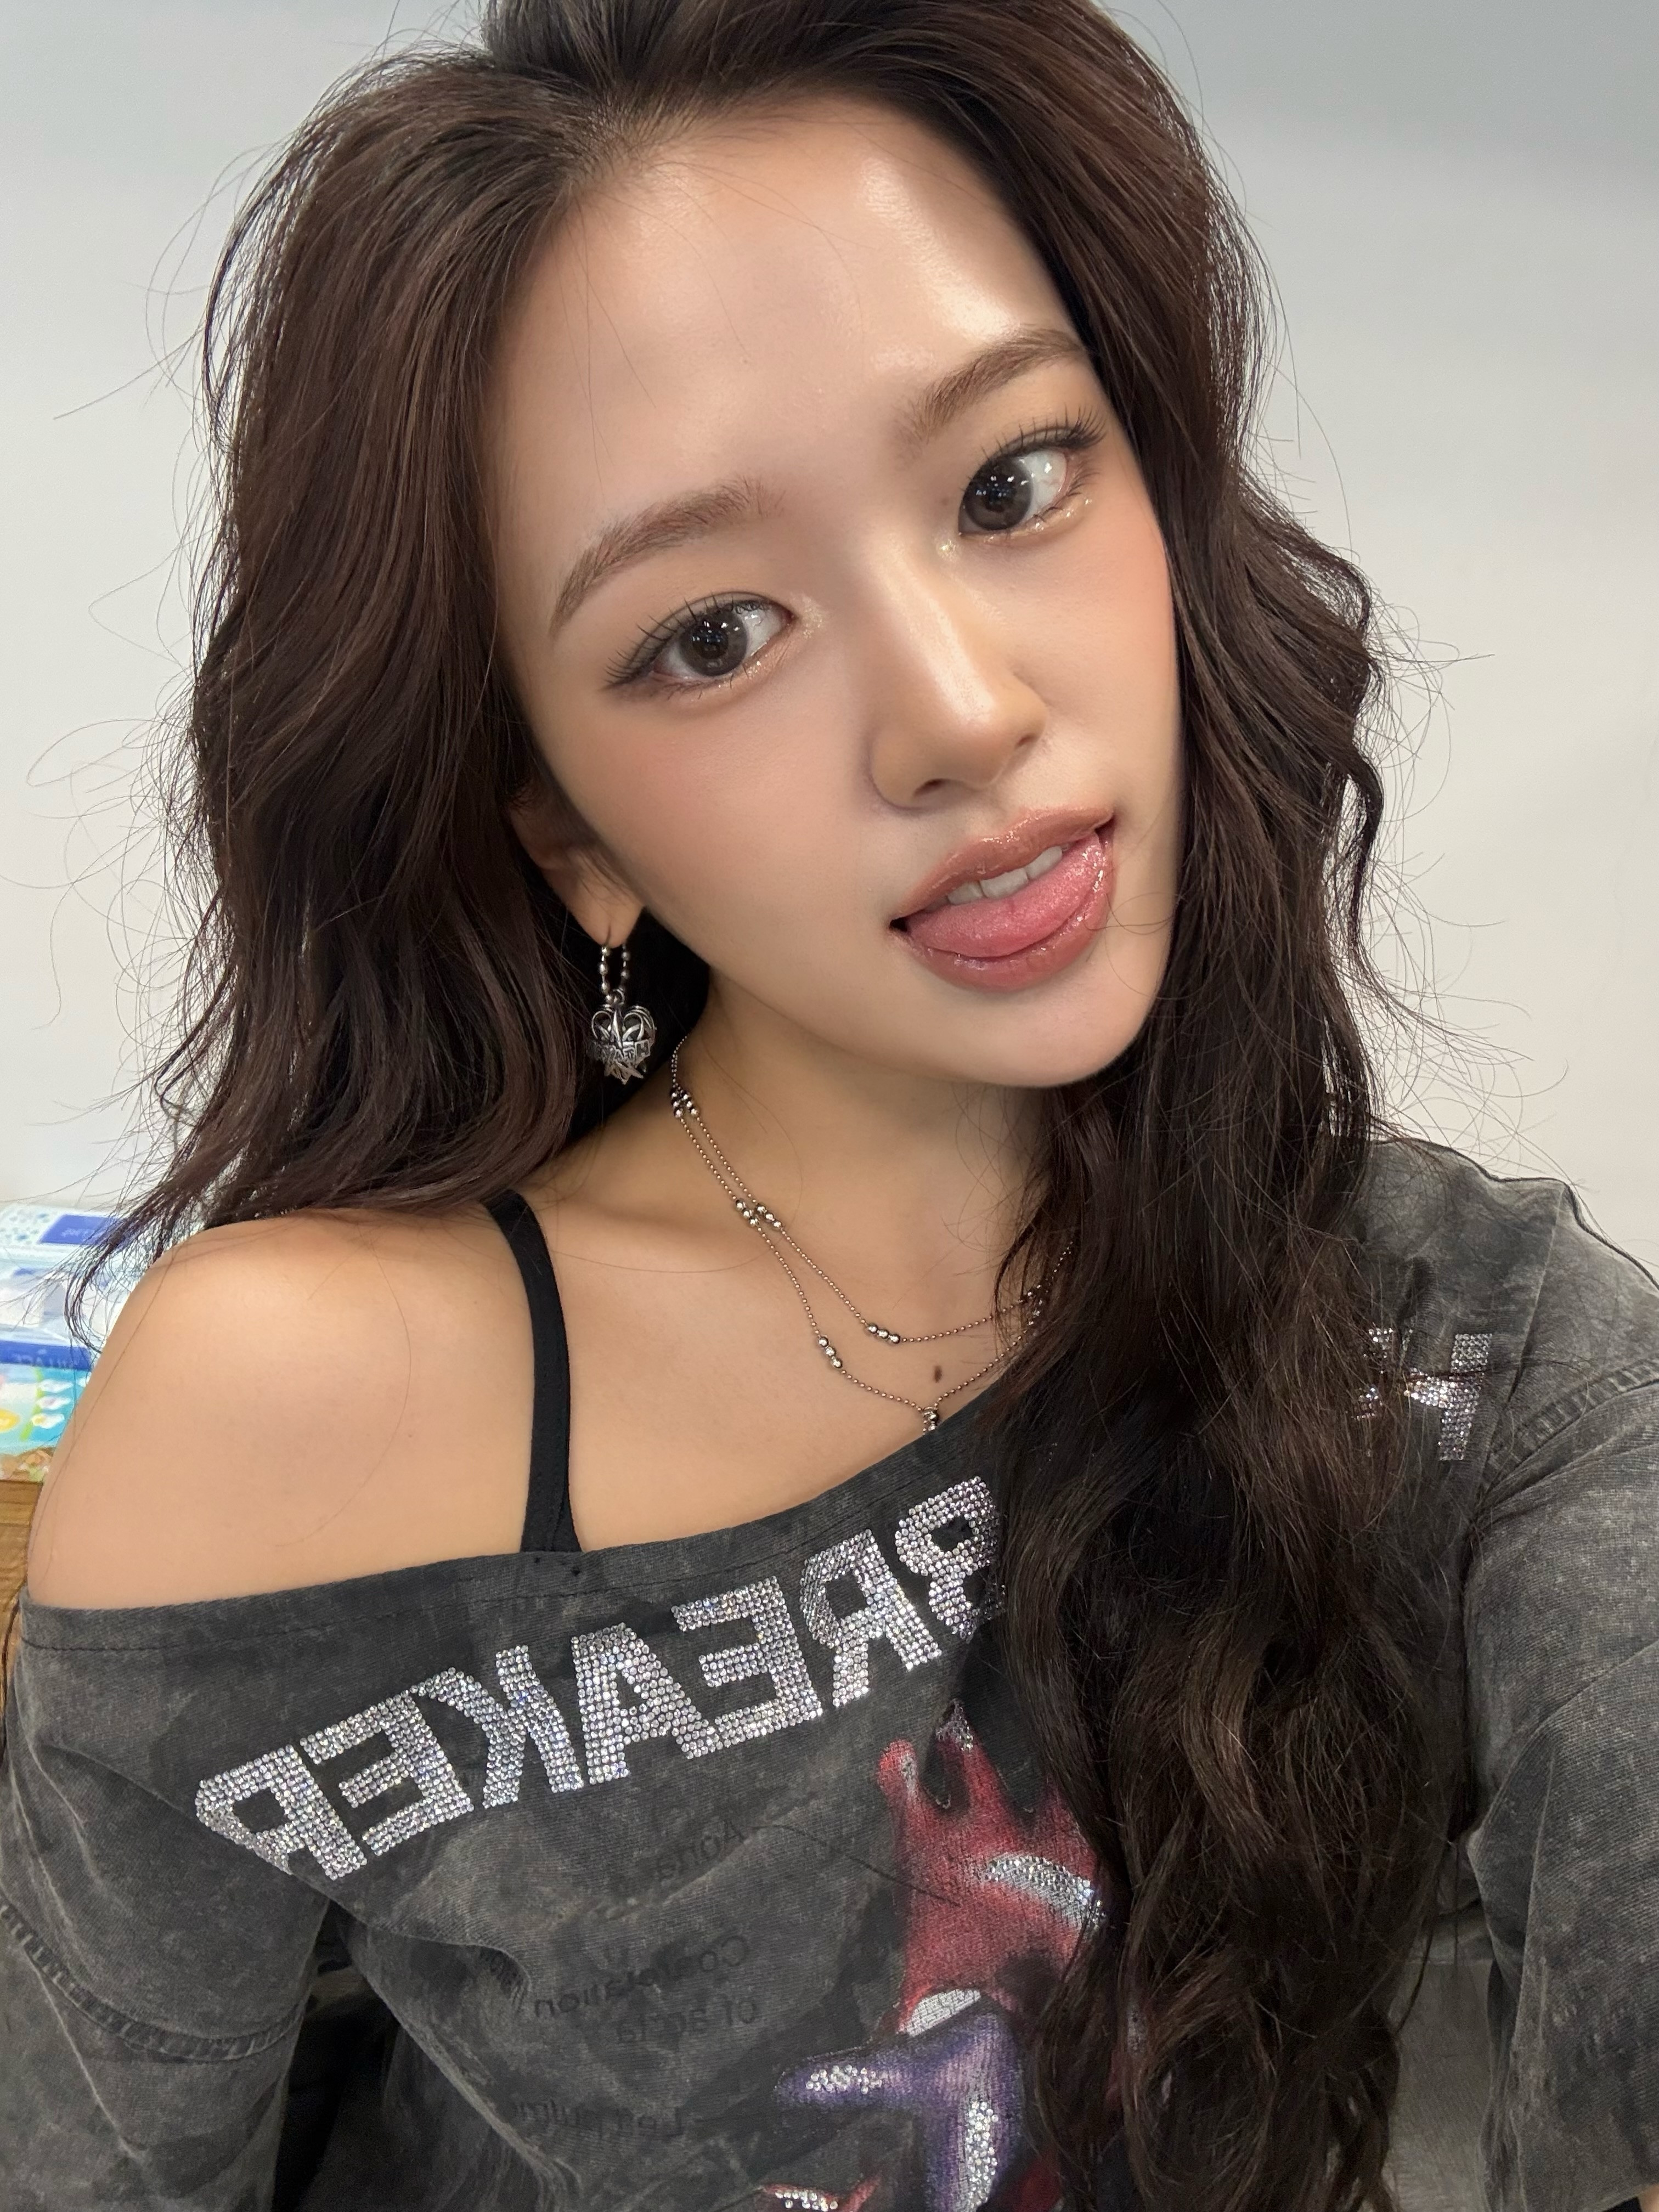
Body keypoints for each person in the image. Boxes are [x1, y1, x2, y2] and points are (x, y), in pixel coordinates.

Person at [2, 2, 1654, 2208]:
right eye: (711, 634)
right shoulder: (297, 1403)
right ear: (563, 827)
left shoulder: (1478, 1355)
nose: (958, 713)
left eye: (1011, 484)